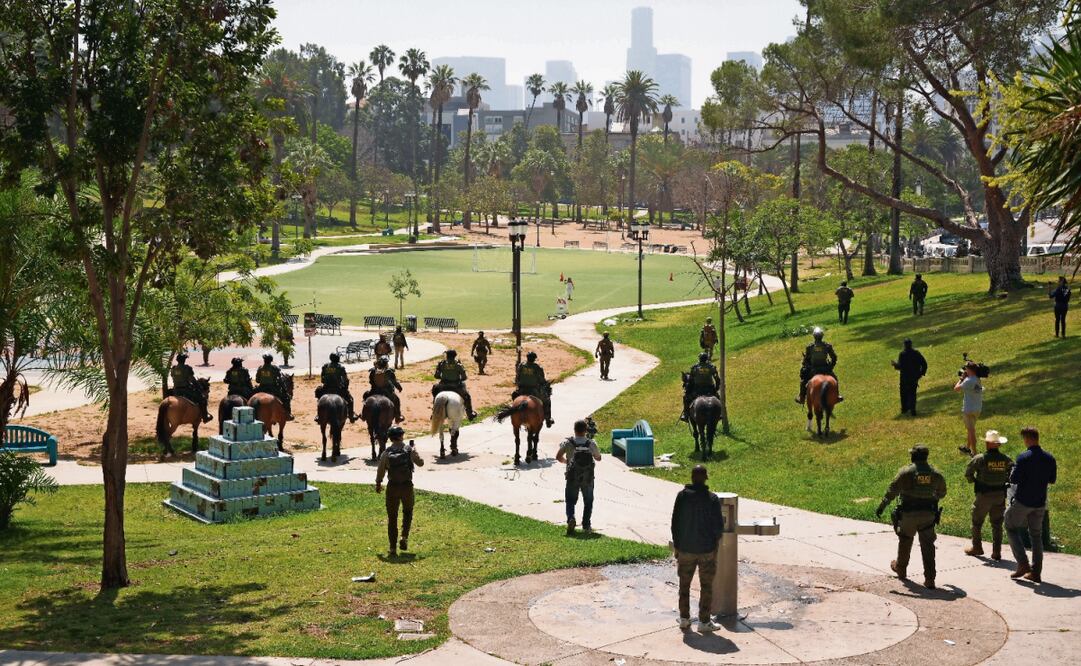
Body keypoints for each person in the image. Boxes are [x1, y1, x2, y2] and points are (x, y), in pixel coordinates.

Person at [876, 445, 947, 590]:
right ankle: (930, 579)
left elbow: (892, 490)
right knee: (928, 545)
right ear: (926, 457)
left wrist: (882, 506)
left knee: (905, 540)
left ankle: (901, 569)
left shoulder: (906, 472)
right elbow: (942, 492)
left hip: (909, 514)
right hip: (928, 515)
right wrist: (931, 497)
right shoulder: (936, 474)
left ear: (913, 457)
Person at [671, 465, 725, 632]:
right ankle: (704, 621)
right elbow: (718, 527)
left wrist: (678, 545)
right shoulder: (712, 499)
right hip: (706, 550)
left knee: (684, 585)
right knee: (706, 586)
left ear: (692, 478)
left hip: (686, 549)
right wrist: (714, 543)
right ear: (706, 478)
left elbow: (675, 523)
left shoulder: (682, 497)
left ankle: (684, 619)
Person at [1005, 426, 1057, 583]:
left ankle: (1022, 564)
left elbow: (1014, 479)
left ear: (1027, 439)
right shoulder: (1050, 458)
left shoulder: (1023, 458)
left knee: (1010, 526)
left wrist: (1013, 470)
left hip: (1023, 501)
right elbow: (1052, 480)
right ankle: (1036, 572)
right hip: (1040, 502)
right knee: (1036, 536)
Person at [374, 426, 424, 556]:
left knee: (392, 517)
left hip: (392, 487)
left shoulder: (387, 452)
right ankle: (404, 537)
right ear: (401, 436)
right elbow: (421, 463)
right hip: (407, 486)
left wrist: (378, 483)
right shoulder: (408, 450)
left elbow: (380, 470)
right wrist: (415, 450)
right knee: (408, 512)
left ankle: (392, 548)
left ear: (390, 438)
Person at [964, 430, 1013, 560]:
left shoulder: (980, 458)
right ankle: (996, 552)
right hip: (1000, 496)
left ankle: (977, 547)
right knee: (997, 524)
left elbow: (968, 473)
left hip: (984, 496)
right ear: (999, 445)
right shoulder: (1006, 459)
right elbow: (1011, 474)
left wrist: (976, 482)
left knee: (976, 522)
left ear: (987, 443)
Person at [556, 420, 602, 535]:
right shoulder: (591, 443)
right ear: (586, 430)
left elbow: (558, 456)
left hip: (572, 476)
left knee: (570, 500)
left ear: (574, 430)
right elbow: (598, 458)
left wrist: (567, 462)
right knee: (588, 501)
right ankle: (586, 525)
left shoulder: (568, 442)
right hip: (588, 477)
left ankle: (571, 518)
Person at [795, 327, 843, 405]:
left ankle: (801, 398)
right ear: (822, 336)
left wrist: (808, 366)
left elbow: (806, 360)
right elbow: (834, 357)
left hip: (813, 370)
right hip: (826, 369)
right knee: (835, 379)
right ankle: (836, 396)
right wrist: (830, 367)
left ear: (814, 336)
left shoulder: (809, 347)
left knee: (803, 382)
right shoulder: (827, 346)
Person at [432, 350, 477, 420]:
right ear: (455, 356)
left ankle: (434, 412)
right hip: (456, 386)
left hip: (443, 386)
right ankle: (470, 413)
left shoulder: (442, 364)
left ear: (447, 356)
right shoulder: (458, 365)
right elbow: (464, 377)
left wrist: (442, 376)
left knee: (435, 391)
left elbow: (436, 376)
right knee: (467, 397)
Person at [515, 351, 554, 428]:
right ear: (534, 359)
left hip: (522, 390)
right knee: (547, 401)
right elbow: (542, 380)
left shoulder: (521, 365)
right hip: (534, 391)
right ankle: (548, 419)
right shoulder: (537, 368)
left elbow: (517, 377)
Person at [170, 353, 212, 423]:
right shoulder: (187, 368)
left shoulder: (174, 368)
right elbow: (192, 380)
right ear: (184, 360)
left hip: (175, 390)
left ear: (177, 360)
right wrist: (199, 386)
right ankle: (205, 417)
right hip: (185, 390)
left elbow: (173, 377)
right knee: (203, 399)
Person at [317, 352, 358, 422]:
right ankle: (351, 415)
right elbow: (345, 379)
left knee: (319, 400)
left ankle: (318, 416)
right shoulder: (340, 367)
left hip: (327, 388)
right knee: (350, 400)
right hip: (338, 388)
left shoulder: (325, 366)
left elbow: (322, 379)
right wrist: (346, 386)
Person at [953, 361, 983, 456]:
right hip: (977, 408)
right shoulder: (977, 379)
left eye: (966, 369)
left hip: (969, 409)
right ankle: (967, 447)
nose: (965, 370)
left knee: (971, 431)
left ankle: (974, 453)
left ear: (969, 370)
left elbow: (956, 389)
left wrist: (961, 378)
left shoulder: (968, 381)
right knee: (971, 430)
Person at [891, 339, 927, 416]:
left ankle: (904, 409)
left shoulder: (902, 354)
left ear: (904, 345)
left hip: (904, 378)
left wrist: (894, 364)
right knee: (912, 393)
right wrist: (921, 373)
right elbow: (924, 364)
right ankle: (912, 410)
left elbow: (900, 367)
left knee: (904, 393)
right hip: (914, 377)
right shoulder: (916, 353)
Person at [681, 352, 719, 422]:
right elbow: (717, 379)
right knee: (718, 398)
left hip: (697, 390)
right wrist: (716, 388)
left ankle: (685, 414)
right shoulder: (711, 367)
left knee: (686, 398)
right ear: (707, 359)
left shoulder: (694, 368)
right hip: (710, 389)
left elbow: (690, 381)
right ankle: (720, 413)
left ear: (699, 359)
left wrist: (688, 390)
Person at [364, 356, 404, 423]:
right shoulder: (389, 371)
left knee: (366, 397)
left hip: (374, 391)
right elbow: (394, 382)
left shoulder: (373, 371)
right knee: (397, 400)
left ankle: (364, 415)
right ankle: (398, 416)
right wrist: (399, 387)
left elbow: (371, 381)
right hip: (386, 392)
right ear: (386, 363)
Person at [255, 353, 294, 420]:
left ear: (264, 360)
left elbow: (257, 380)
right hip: (272, 388)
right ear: (271, 360)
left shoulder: (260, 368)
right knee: (286, 398)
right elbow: (279, 379)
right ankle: (288, 414)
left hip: (261, 388)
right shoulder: (274, 368)